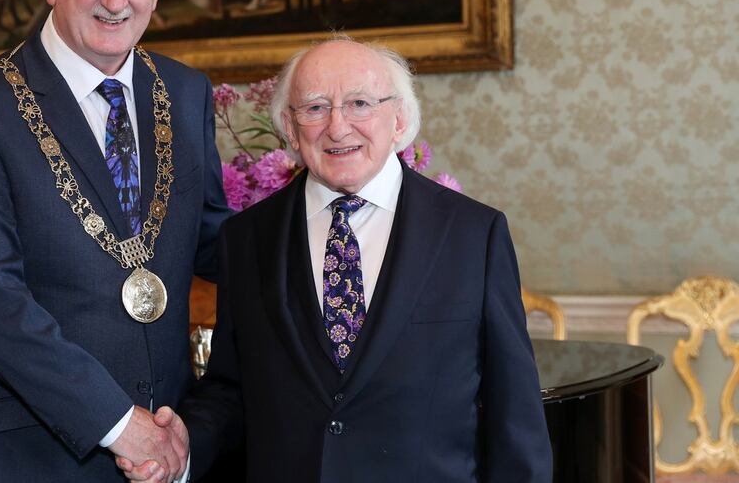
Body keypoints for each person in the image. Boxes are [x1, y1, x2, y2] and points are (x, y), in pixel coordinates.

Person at [124, 36, 553, 482]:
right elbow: (234, 391)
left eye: (360, 103)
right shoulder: (246, 239)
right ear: (289, 129)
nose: (337, 126)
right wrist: (184, 444)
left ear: (400, 119)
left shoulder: (472, 235)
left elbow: (514, 414)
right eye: (314, 108)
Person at [0, 0, 231, 480]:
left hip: (166, 448)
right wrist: (117, 421)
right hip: (27, 456)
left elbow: (216, 243)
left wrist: (328, 228)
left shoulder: (186, 92)